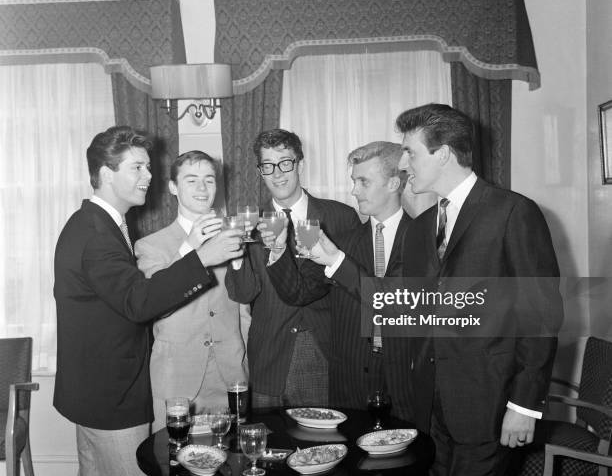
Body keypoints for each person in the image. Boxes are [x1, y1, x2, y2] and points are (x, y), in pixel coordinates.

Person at [53, 126, 243, 476]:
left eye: (149, 168)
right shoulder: (96, 232)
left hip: (94, 392)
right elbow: (138, 301)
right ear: (107, 174)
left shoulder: (101, 225)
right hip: (113, 397)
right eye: (137, 168)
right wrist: (202, 257)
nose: (150, 177)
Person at [395, 103, 564, 476]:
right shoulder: (427, 221)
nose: (403, 163)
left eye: (410, 152)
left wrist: (524, 404)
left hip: (489, 408)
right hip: (435, 413)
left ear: (444, 154)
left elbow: (541, 315)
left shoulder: (513, 212)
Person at [266, 141, 415, 420]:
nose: (353, 191)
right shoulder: (342, 242)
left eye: (363, 182)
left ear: (394, 183)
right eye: (353, 181)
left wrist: (336, 262)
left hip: (406, 379)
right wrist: (278, 248)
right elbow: (298, 294)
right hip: (349, 384)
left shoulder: (424, 240)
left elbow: (395, 303)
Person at [225, 128, 361, 408]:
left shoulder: (341, 217)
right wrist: (236, 256)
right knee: (269, 448)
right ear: (260, 171)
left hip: (327, 350)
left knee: (325, 446)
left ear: (300, 164)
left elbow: (356, 289)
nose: (277, 173)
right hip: (269, 353)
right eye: (268, 166)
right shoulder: (248, 223)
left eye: (285, 163)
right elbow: (242, 294)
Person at [135, 150, 250, 430]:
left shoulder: (234, 236)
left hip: (230, 375)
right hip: (177, 380)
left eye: (209, 180)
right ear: (173, 187)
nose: (202, 188)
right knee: (172, 466)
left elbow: (245, 308)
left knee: (234, 466)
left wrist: (246, 360)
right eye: (191, 180)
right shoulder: (150, 246)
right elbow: (156, 303)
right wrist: (190, 249)